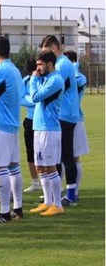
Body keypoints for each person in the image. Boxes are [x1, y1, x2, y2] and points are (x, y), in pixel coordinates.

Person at [0, 36, 24, 224]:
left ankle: (4, 212)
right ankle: (17, 207)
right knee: (14, 167)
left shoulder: (0, 72)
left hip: (0, 124)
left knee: (0, 167)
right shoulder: (15, 70)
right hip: (13, 124)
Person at [40, 35, 79, 206]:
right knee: (61, 156)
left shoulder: (61, 65)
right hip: (65, 114)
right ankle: (59, 193)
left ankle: (71, 194)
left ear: (53, 49)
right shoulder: (63, 64)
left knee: (66, 156)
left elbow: (51, 88)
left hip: (64, 115)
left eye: (46, 53)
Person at [28, 50, 65, 216]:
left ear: (49, 64)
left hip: (49, 129)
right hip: (40, 128)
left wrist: (33, 79)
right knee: (40, 166)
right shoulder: (46, 79)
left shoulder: (55, 80)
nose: (37, 68)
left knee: (50, 167)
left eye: (40, 64)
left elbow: (35, 97)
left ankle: (57, 204)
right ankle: (48, 202)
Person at [63, 50, 90, 201]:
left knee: (74, 157)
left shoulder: (79, 76)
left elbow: (77, 83)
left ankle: (75, 192)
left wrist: (71, 71)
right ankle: (63, 191)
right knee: (64, 157)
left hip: (76, 119)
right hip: (66, 118)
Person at [21, 59, 41, 193]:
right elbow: (21, 98)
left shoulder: (44, 79)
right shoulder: (26, 81)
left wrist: (34, 98)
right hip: (30, 119)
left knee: (43, 153)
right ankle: (35, 182)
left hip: (42, 120)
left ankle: (47, 182)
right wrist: (33, 100)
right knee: (30, 153)